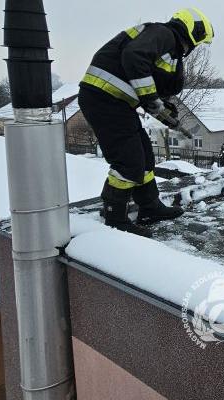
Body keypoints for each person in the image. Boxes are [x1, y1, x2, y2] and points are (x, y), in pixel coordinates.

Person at [78, 8, 214, 237]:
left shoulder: (165, 45)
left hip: (117, 103)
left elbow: (142, 82)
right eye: (197, 44)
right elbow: (134, 57)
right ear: (194, 33)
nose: (192, 49)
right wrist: (151, 98)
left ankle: (149, 207)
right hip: (104, 100)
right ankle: (115, 218)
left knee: (145, 156)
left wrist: (163, 111)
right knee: (128, 161)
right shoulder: (164, 34)